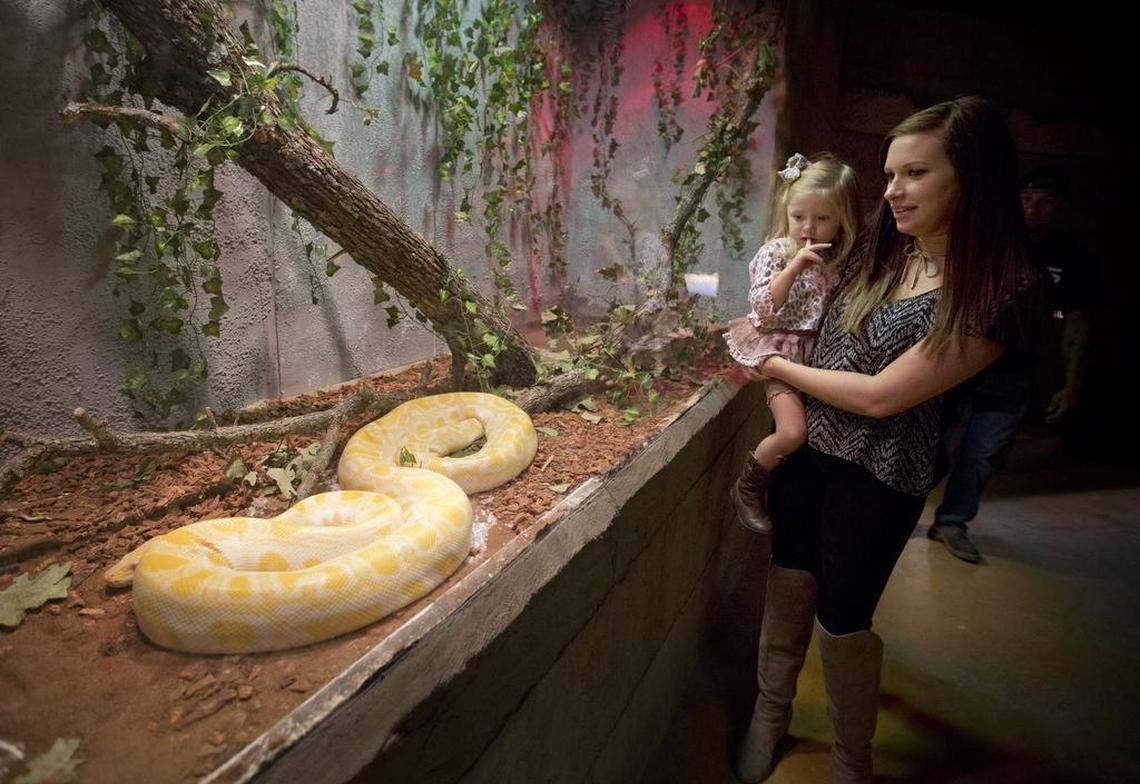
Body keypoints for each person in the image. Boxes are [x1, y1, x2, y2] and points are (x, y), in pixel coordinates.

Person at [733, 96, 1034, 784]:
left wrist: (768, 362)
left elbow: (881, 397)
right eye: (890, 173)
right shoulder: (882, 244)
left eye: (916, 174)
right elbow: (790, 280)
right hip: (806, 452)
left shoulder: (994, 292)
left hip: (880, 474)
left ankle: (850, 756)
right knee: (787, 583)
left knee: (844, 615)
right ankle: (769, 714)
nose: (893, 190)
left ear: (972, 179)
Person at [927, 168, 1087, 563]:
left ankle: (951, 521)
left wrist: (1072, 383)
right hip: (956, 364)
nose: (1035, 209)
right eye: (1028, 198)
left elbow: (1078, 323)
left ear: (1061, 209)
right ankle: (899, 514)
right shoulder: (988, 241)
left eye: (1046, 202)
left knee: (980, 454)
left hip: (1014, 374)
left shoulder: (1070, 257)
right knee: (927, 443)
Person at [724, 153, 860, 534]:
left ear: (842, 218)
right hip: (780, 350)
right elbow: (765, 308)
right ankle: (747, 488)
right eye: (799, 217)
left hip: (817, 356)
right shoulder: (776, 252)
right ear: (787, 212)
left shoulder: (840, 258)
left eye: (822, 218)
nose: (808, 229)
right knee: (792, 432)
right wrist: (794, 266)